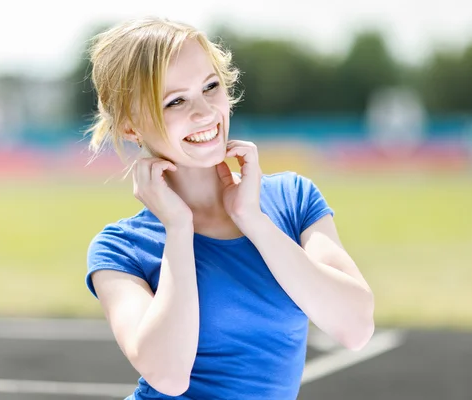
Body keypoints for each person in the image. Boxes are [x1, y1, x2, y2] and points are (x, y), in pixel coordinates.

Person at [84, 16, 375, 400]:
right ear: (130, 127)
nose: (204, 112)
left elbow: (354, 328)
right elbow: (169, 376)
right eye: (175, 101)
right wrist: (177, 227)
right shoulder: (120, 249)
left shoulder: (293, 199)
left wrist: (252, 218)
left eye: (211, 86)